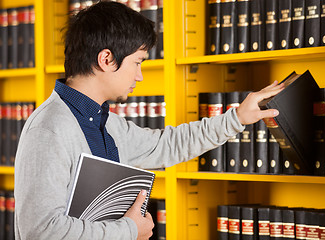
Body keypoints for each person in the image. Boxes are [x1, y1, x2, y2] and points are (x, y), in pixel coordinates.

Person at [14, 1, 284, 240]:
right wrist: (130, 230)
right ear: (107, 59)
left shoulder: (107, 123)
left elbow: (167, 145)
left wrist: (237, 117)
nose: (140, 76)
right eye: (138, 62)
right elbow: (41, 231)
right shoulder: (49, 129)